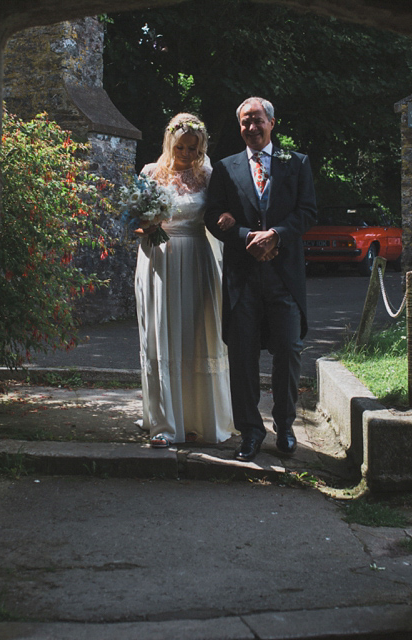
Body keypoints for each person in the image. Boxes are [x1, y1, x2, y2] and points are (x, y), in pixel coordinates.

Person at [204, 97, 317, 461]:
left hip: (284, 278)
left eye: (257, 121)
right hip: (242, 278)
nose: (251, 128)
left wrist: (277, 236)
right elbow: (212, 216)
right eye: (244, 122)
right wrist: (246, 239)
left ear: (272, 123)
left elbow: (308, 212)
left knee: (288, 351)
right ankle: (250, 432)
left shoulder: (297, 163)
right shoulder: (224, 168)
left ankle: (285, 428)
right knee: (242, 356)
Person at [134, 113, 236, 448]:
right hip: (159, 260)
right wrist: (147, 227)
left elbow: (223, 213)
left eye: (193, 147)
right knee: (163, 335)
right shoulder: (151, 173)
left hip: (196, 258)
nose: (187, 153)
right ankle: (166, 423)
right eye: (181, 146)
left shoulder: (209, 175)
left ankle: (201, 420)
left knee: (197, 335)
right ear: (169, 141)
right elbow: (135, 222)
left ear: (201, 146)